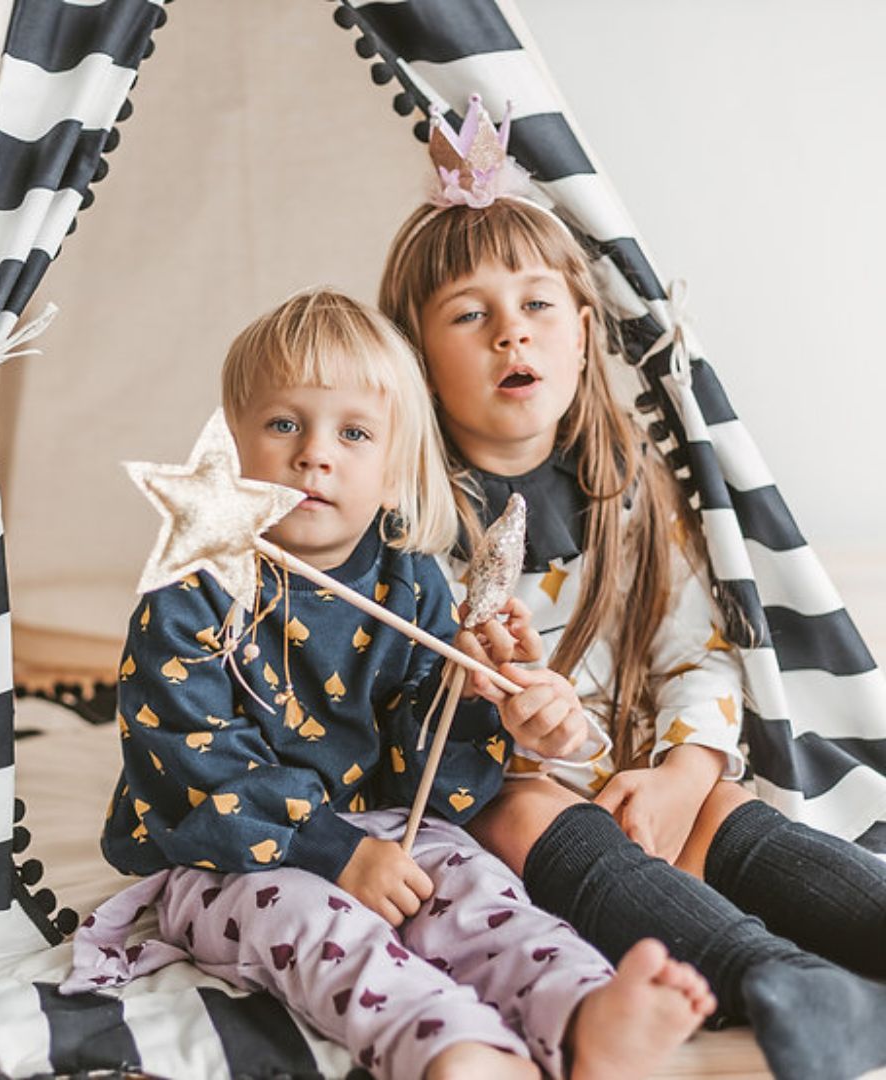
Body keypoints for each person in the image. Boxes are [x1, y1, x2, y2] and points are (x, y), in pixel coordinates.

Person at [61, 289, 716, 1080]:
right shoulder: (192, 590)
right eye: (282, 424)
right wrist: (334, 853)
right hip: (229, 861)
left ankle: (582, 1015)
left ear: (394, 464)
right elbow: (196, 768)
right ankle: (455, 1047)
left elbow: (425, 772)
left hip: (384, 830)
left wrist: (470, 698)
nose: (314, 454)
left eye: (354, 432)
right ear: (233, 443)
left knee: (478, 891)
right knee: (320, 930)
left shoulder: (409, 581)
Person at [378, 95, 886, 1080]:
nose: (509, 337)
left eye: (535, 307)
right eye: (469, 316)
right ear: (416, 358)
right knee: (520, 809)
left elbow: (694, 646)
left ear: (580, 327)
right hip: (503, 793)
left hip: (633, 768)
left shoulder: (632, 488)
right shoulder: (408, 520)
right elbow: (407, 708)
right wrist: (488, 693)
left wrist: (685, 770)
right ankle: (780, 979)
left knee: (728, 807)